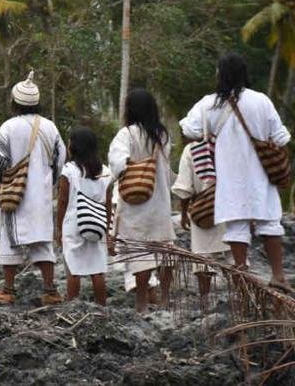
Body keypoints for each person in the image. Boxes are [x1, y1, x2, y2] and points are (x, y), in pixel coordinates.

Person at [180, 53, 291, 293]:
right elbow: (282, 137)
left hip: (229, 178)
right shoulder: (261, 100)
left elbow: (189, 129)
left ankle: (242, 276)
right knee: (270, 223)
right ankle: (279, 276)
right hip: (261, 175)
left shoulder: (208, 104)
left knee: (236, 227)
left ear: (220, 74)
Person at [0, 71, 66, 306]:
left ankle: (8, 289)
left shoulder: (9, 127)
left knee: (10, 239)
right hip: (40, 195)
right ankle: (50, 291)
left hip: (15, 194)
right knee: (42, 241)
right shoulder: (50, 127)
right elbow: (60, 160)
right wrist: (47, 180)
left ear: (14, 102)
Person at [109, 89, 176, 313]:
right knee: (166, 249)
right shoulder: (163, 135)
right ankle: (165, 299)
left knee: (140, 254)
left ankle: (141, 303)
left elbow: (117, 164)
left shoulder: (126, 134)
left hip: (135, 202)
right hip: (159, 201)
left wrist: (132, 164)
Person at [55, 127, 113, 306]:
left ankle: (72, 305)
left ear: (75, 147)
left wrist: (58, 228)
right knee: (97, 269)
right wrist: (107, 228)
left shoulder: (69, 170)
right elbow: (108, 203)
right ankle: (102, 306)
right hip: (97, 223)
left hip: (74, 223)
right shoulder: (105, 171)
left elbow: (63, 201)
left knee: (74, 268)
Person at [172, 139, 230, 303]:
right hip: (231, 205)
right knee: (235, 255)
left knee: (203, 256)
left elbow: (185, 186)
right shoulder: (229, 143)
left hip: (204, 209)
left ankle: (205, 300)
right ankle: (242, 295)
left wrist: (184, 213)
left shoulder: (192, 149)